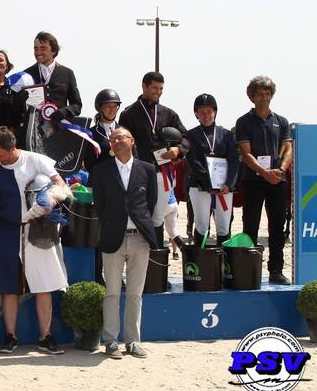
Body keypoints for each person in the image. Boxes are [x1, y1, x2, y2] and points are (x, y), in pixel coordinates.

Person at [0, 127, 68, 355]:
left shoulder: (36, 160)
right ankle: (10, 336)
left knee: (44, 285)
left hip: (39, 229)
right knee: (9, 287)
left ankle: (45, 336)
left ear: (13, 147)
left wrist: (50, 202)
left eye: (2, 155)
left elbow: (61, 185)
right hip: (8, 231)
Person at [90, 126, 158, 359]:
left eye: (122, 137)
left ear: (132, 140)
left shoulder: (148, 170)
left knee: (136, 293)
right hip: (112, 238)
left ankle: (132, 341)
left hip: (140, 238)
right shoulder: (101, 171)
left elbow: (150, 202)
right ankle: (110, 341)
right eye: (114, 138)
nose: (118, 141)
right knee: (111, 292)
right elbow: (99, 205)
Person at [118, 71, 189, 248]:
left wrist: (178, 150)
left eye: (161, 89)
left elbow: (186, 138)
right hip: (139, 172)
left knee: (158, 216)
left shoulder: (168, 113)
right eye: (155, 88)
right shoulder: (128, 114)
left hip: (161, 173)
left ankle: (157, 255)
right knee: (141, 213)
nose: (158, 92)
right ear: (144, 86)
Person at [235, 76, 293, 284]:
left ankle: (276, 270)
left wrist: (280, 170)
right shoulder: (243, 122)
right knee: (250, 225)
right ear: (251, 96)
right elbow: (246, 154)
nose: (264, 98)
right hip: (253, 180)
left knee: (277, 227)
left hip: (277, 180)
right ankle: (249, 271)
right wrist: (264, 172)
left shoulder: (281, 121)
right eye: (260, 94)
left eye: (268, 94)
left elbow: (288, 148)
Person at [185, 94, 239, 247]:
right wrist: (208, 182)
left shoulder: (226, 134)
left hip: (224, 187)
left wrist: (229, 183)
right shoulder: (191, 134)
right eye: (201, 111)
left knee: (223, 225)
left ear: (215, 112)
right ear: (196, 114)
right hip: (200, 186)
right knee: (202, 224)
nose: (206, 115)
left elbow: (234, 160)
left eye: (209, 111)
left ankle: (225, 263)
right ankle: (200, 263)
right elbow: (193, 160)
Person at [85, 88, 123, 284]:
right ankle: (97, 273)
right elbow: (89, 162)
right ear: (100, 108)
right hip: (100, 187)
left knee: (118, 232)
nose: (111, 109)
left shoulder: (124, 131)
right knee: (99, 233)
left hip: (120, 187)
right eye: (107, 106)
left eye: (114, 106)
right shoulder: (91, 133)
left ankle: (116, 275)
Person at [22, 31, 82, 122]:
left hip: (59, 130)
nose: (38, 52)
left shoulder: (67, 73)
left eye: (43, 48)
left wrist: (64, 112)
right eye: (36, 49)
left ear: (53, 51)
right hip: (32, 131)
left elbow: (77, 105)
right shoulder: (26, 75)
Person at [0, 49, 25, 133]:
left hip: (6, 139)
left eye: (1, 60)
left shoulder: (14, 90)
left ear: (7, 66)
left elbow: (18, 117)